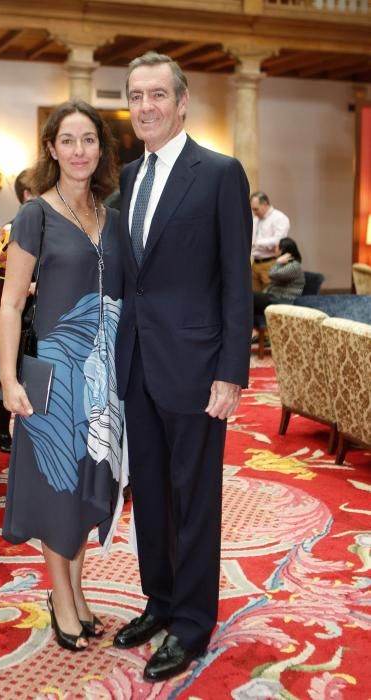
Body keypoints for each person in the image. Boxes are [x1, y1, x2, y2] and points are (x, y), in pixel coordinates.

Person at [113, 52, 253, 682]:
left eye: (158, 95)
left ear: (183, 100)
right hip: (138, 363)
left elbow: (234, 284)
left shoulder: (220, 173)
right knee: (150, 497)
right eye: (136, 96)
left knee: (193, 500)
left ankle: (193, 622)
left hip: (198, 369)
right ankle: (161, 600)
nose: (146, 107)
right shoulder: (128, 175)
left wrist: (232, 372)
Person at [0, 101, 124, 652]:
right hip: (51, 372)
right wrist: (8, 380)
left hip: (103, 375)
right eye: (68, 140)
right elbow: (8, 307)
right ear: (52, 149)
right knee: (56, 487)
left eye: (89, 140)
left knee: (88, 485)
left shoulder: (111, 216)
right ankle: (61, 598)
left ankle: (75, 590)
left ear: (101, 148)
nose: (79, 151)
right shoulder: (35, 215)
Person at [0, 169, 34, 453]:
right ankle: (2, 429)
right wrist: (28, 287)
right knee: (6, 374)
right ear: (27, 195)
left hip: (37, 315)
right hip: (13, 314)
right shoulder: (9, 229)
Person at [253, 236, 305, 314]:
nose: (274, 249)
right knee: (250, 295)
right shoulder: (285, 264)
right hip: (274, 297)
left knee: (251, 296)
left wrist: (277, 262)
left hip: (283, 300)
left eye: (277, 247)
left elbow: (272, 274)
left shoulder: (294, 266)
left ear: (282, 250)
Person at [250, 191, 290, 292]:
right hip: (256, 262)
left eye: (256, 209)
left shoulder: (279, 218)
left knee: (269, 295)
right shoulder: (256, 220)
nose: (254, 212)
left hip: (271, 262)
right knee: (254, 295)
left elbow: (279, 240)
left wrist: (256, 243)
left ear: (265, 205)